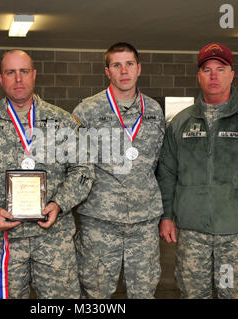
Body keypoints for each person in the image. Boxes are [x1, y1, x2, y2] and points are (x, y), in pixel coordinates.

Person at [0, 49, 94, 299]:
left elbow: (82, 169)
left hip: (54, 238)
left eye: (24, 71)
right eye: (10, 72)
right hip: (4, 240)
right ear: (0, 78)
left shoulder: (62, 121)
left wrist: (59, 204)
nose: (18, 79)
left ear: (34, 75)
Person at [157, 42, 238, 299]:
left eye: (221, 68)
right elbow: (167, 172)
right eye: (207, 69)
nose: (214, 75)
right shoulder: (180, 124)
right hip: (192, 233)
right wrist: (167, 215)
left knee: (234, 295)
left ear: (232, 74)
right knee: (192, 295)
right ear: (199, 76)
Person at [72, 42, 165, 298]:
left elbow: (159, 163)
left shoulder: (154, 111)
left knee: (144, 291)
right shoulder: (87, 111)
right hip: (100, 220)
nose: (124, 71)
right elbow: (74, 164)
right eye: (117, 65)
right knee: (96, 291)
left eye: (129, 64)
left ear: (139, 69)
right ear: (107, 71)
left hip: (144, 221)